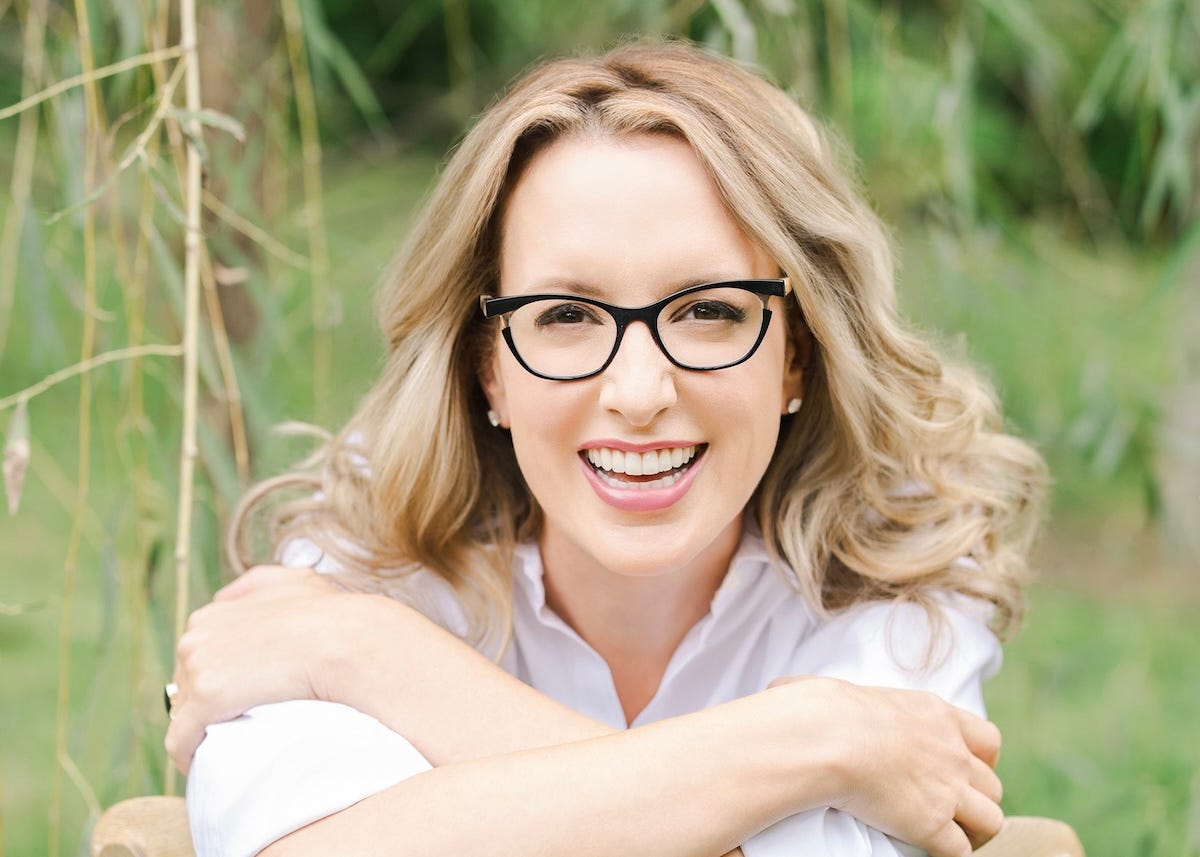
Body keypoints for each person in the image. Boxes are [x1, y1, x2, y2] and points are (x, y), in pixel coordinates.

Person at [164, 39, 1046, 857]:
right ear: (489, 369)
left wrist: (372, 661)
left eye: (708, 310)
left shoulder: (900, 563)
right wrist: (815, 740)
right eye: (565, 315)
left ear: (797, 355)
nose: (638, 392)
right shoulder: (373, 548)